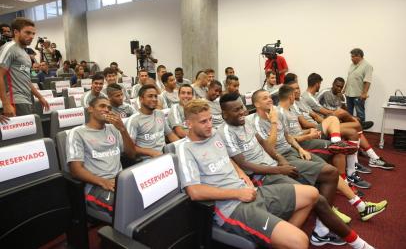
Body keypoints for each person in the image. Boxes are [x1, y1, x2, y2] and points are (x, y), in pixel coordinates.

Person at [220, 93, 383, 246]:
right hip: (261, 175)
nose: (242, 111)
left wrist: (282, 161)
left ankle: (327, 224)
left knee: (328, 173)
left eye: (242, 107)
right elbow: (245, 164)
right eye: (236, 109)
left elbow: (266, 145)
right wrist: (280, 168)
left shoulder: (246, 123)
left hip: (279, 161)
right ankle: (349, 238)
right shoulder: (228, 131)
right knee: (316, 193)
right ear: (224, 114)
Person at [178, 98, 318, 248]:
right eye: (203, 122)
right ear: (189, 124)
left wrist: (242, 174)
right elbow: (194, 191)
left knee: (311, 194)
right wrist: (237, 194)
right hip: (231, 208)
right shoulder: (185, 149)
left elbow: (227, 158)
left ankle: (280, 242)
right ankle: (287, 241)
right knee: (300, 241)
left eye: (210, 119)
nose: (210, 125)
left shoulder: (213, 134)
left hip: (250, 191)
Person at [302, 73, 395, 171]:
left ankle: (373, 158)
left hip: (331, 121)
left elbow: (344, 110)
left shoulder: (340, 96)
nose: (339, 88)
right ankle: (359, 127)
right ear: (318, 84)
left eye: (341, 87)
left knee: (354, 129)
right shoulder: (311, 96)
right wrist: (336, 115)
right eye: (337, 86)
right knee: (350, 120)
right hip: (326, 122)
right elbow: (319, 113)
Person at [66, 96, 136, 217]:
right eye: (102, 106)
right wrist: (103, 182)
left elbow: (131, 154)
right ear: (90, 109)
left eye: (109, 107)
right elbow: (75, 170)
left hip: (119, 181)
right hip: (95, 186)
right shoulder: (77, 133)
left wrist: (123, 129)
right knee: (129, 209)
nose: (107, 110)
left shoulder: (113, 129)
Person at [0, 18, 49, 116]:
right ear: (16, 32)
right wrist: (6, 103)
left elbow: (26, 80)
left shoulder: (24, 52)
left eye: (33, 34)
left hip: (27, 100)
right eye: (27, 33)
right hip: (14, 100)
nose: (31, 36)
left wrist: (40, 97)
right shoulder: (9, 48)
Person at [125, 84, 179, 161]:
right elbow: (130, 148)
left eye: (155, 96)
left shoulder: (160, 114)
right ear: (141, 99)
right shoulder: (134, 120)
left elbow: (170, 134)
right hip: (146, 160)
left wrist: (181, 145)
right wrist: (150, 152)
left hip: (164, 156)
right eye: (150, 96)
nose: (154, 99)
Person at [344, 48, 373, 124]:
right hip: (349, 93)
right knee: (348, 114)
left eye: (353, 57)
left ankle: (360, 130)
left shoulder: (367, 66)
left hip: (358, 95)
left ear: (359, 56)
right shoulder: (352, 65)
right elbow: (349, 77)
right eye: (351, 57)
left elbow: (368, 81)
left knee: (360, 114)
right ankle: (350, 129)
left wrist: (364, 93)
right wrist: (344, 88)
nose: (351, 59)